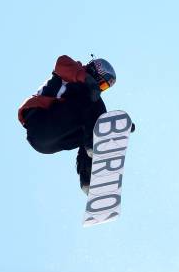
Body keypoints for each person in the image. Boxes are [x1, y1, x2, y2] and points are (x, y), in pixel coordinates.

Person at [17, 55, 131, 193]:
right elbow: (61, 62)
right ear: (94, 71)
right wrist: (87, 79)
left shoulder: (87, 99)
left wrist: (117, 127)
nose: (100, 88)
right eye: (102, 83)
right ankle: (93, 145)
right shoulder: (71, 71)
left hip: (46, 143)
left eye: (105, 87)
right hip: (41, 123)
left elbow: (97, 119)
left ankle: (88, 180)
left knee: (92, 128)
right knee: (92, 102)